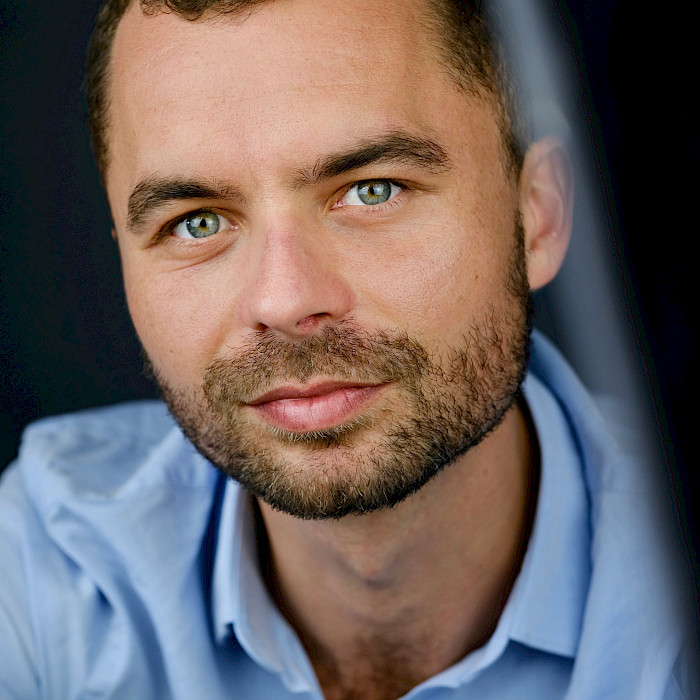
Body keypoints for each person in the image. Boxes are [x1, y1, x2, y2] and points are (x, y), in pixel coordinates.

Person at [0, 0, 693, 698]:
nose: (284, 302)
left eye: (372, 190)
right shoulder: (45, 566)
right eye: (197, 222)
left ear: (538, 214)